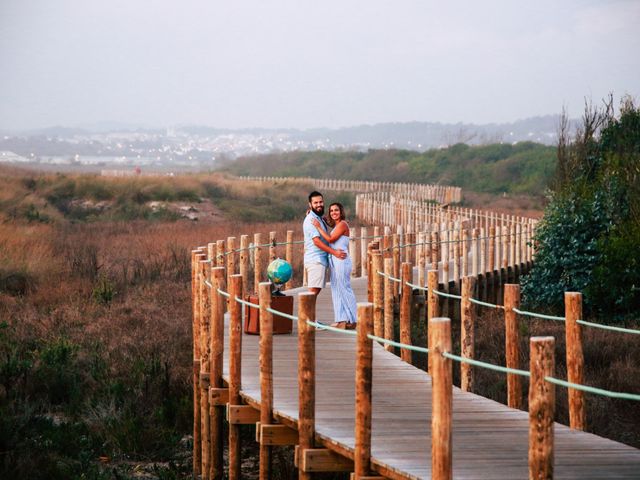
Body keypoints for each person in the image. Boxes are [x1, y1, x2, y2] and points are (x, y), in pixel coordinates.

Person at [311, 202, 358, 329]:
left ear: (341, 211)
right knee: (336, 289)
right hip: (334, 259)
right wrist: (318, 218)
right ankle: (341, 319)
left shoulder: (343, 224)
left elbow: (330, 240)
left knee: (344, 287)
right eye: (331, 211)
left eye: (336, 210)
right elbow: (330, 227)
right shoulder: (336, 225)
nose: (333, 212)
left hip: (341, 260)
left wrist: (318, 227)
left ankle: (353, 319)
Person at [303, 191, 347, 298]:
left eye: (320, 202)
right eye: (315, 203)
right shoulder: (311, 220)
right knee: (312, 293)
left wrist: (343, 223)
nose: (319, 205)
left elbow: (333, 225)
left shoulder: (318, 218)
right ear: (310, 204)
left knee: (313, 293)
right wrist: (335, 253)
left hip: (320, 260)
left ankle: (307, 314)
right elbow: (317, 242)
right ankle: (304, 315)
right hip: (316, 260)